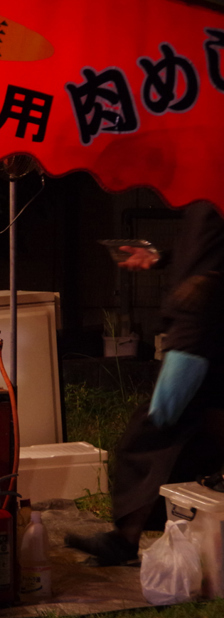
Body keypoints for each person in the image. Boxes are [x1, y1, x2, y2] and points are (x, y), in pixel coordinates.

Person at [67, 201, 224, 565]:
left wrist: (209, 282)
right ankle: (128, 537)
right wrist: (162, 258)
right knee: (197, 432)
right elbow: (203, 248)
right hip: (199, 325)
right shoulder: (206, 191)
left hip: (198, 328)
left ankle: (125, 538)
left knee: (152, 429)